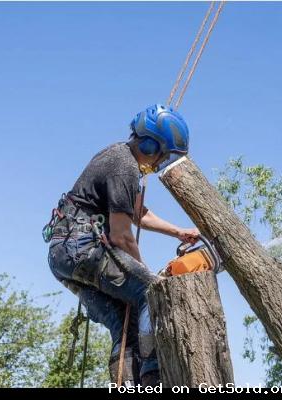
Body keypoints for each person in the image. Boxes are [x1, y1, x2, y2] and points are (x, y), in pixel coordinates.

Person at [45, 104, 199, 387]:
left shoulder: (119, 158)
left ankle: (128, 383)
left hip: (62, 253)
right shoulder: (124, 165)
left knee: (123, 323)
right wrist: (145, 273)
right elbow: (122, 236)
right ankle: (153, 377)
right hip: (82, 248)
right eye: (163, 156)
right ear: (152, 145)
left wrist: (177, 231)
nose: (159, 164)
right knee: (153, 293)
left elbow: (137, 211)